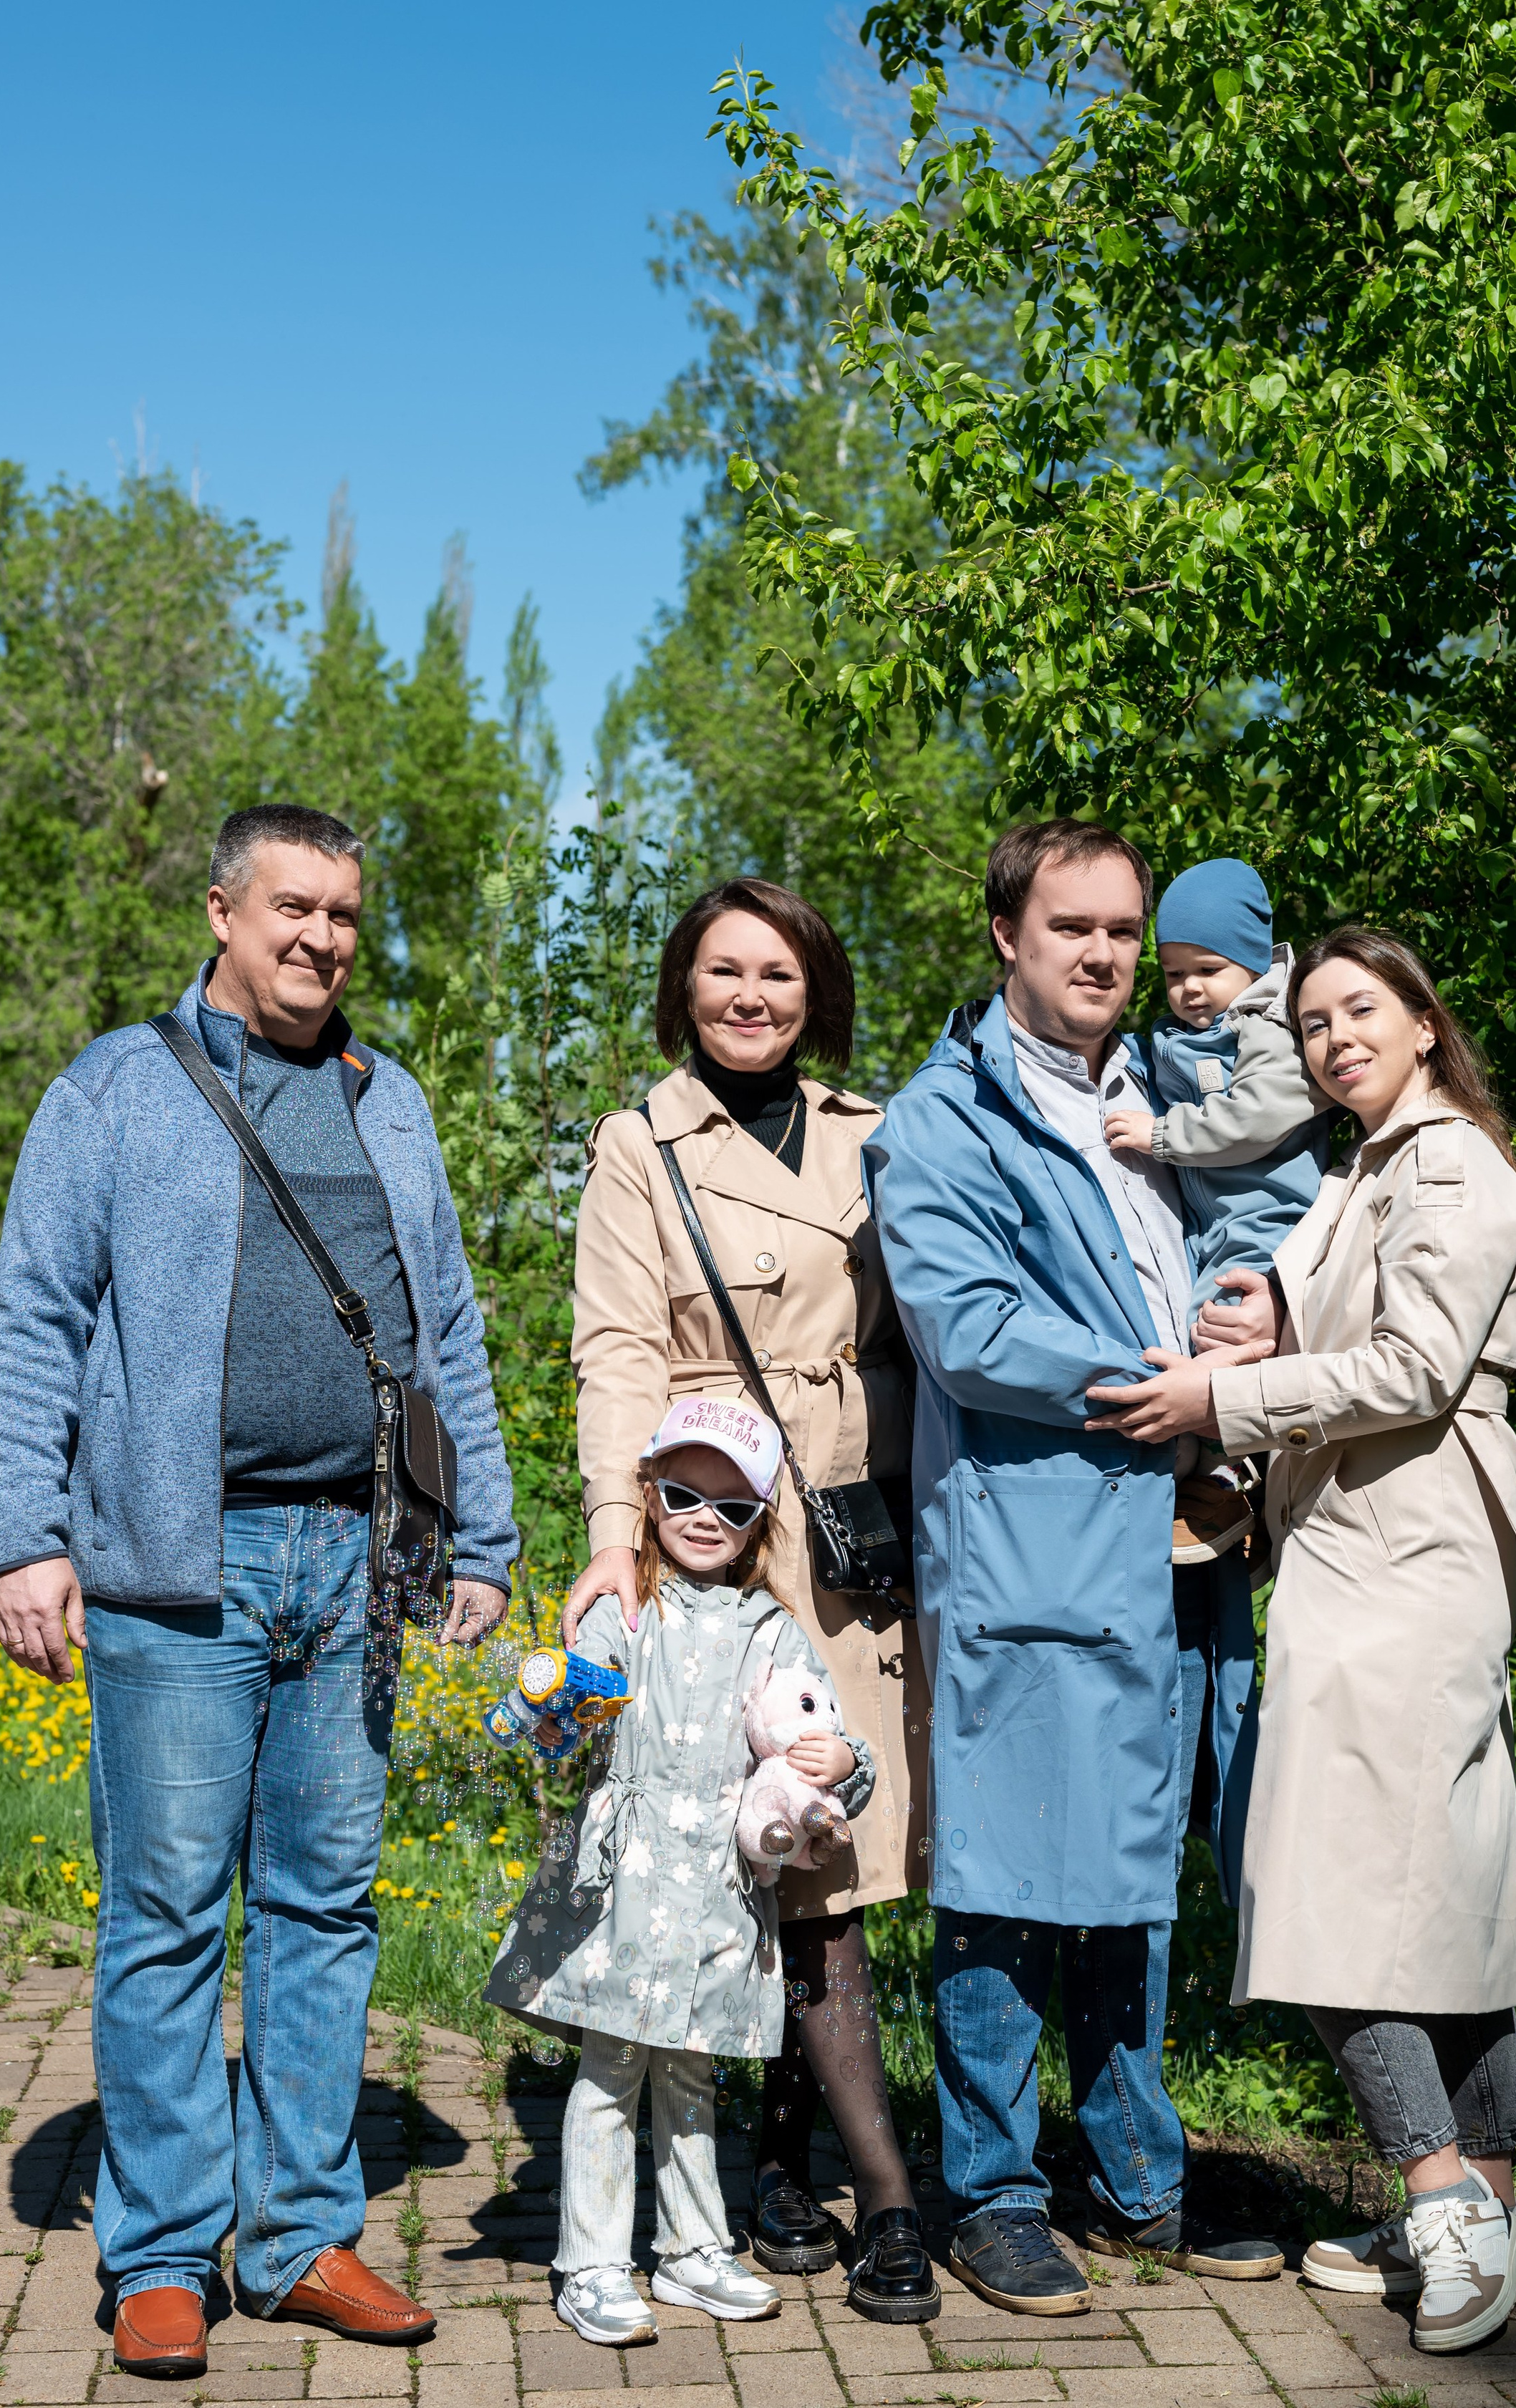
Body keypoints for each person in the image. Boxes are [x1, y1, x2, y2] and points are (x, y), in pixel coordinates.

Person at [0, 804, 517, 2381]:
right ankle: (156, 2253)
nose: (321, 938)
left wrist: (474, 1535)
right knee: (162, 1914)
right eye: (292, 907)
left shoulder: (386, 1097)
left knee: (321, 1906)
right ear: (221, 911)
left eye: (344, 914)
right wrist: (27, 1536)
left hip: (356, 1558)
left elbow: (450, 1334)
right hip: (174, 1567)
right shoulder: (119, 1089)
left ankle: (297, 2237)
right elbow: (31, 1319)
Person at [1088, 927, 1516, 2355]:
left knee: (1310, 1889)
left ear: (1422, 1024)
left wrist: (1217, 1401)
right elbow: (1338, 1327)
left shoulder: (1450, 1167)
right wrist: (1255, 1326)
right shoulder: (1366, 1169)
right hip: (1363, 1547)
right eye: (1306, 1023)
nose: (1330, 1040)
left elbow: (1416, 1366)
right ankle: (1491, 2196)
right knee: (1436, 1896)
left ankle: (1440, 2199)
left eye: (1357, 1012)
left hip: (1406, 1554)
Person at [869, 820, 1284, 2318]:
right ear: (1005, 937)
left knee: (1128, 1879)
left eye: (1122, 930)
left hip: (1172, 1543)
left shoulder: (1164, 1100)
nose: (1105, 955)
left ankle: (1135, 2178)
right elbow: (968, 1331)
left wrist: (1255, 1317)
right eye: (1073, 929)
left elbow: (1234, 1248)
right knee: (1004, 1874)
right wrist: (1163, 1377)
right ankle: (989, 2188)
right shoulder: (941, 1122)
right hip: (1033, 1539)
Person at [562, 878, 937, 2323]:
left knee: (821, 1853)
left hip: (843, 1524)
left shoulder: (874, 1132)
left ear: (814, 988)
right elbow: (612, 1349)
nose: (750, 997)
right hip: (707, 1522)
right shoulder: (637, 1141)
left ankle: (779, 2164)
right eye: (723, 971)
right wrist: (617, 1540)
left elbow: (925, 1331)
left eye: (776, 973)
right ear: (683, 987)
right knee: (751, 1862)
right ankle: (884, 2196)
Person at [488, 1396, 875, 2347]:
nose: (705, 1515)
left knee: (694, 2073)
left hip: (714, 1894)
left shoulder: (771, 1631)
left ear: (760, 1522)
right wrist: (554, 1703)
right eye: (681, 1492)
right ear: (648, 1496)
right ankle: (590, 2262)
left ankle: (694, 2246)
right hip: (619, 1888)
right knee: (610, 2070)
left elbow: (820, 1732)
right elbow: (573, 1702)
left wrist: (843, 1763)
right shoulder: (628, 1608)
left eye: (733, 1503)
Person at [1102, 854, 1328, 1561]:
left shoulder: (1268, 1025)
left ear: (1252, 964)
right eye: (1173, 975)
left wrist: (1161, 1135)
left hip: (1266, 1221)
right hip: (1218, 1225)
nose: (1189, 990)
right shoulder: (1191, 1031)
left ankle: (1235, 1470)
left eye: (1207, 970)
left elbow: (1261, 1114)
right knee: (1204, 1326)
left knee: (1221, 1334)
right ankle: (1234, 1473)